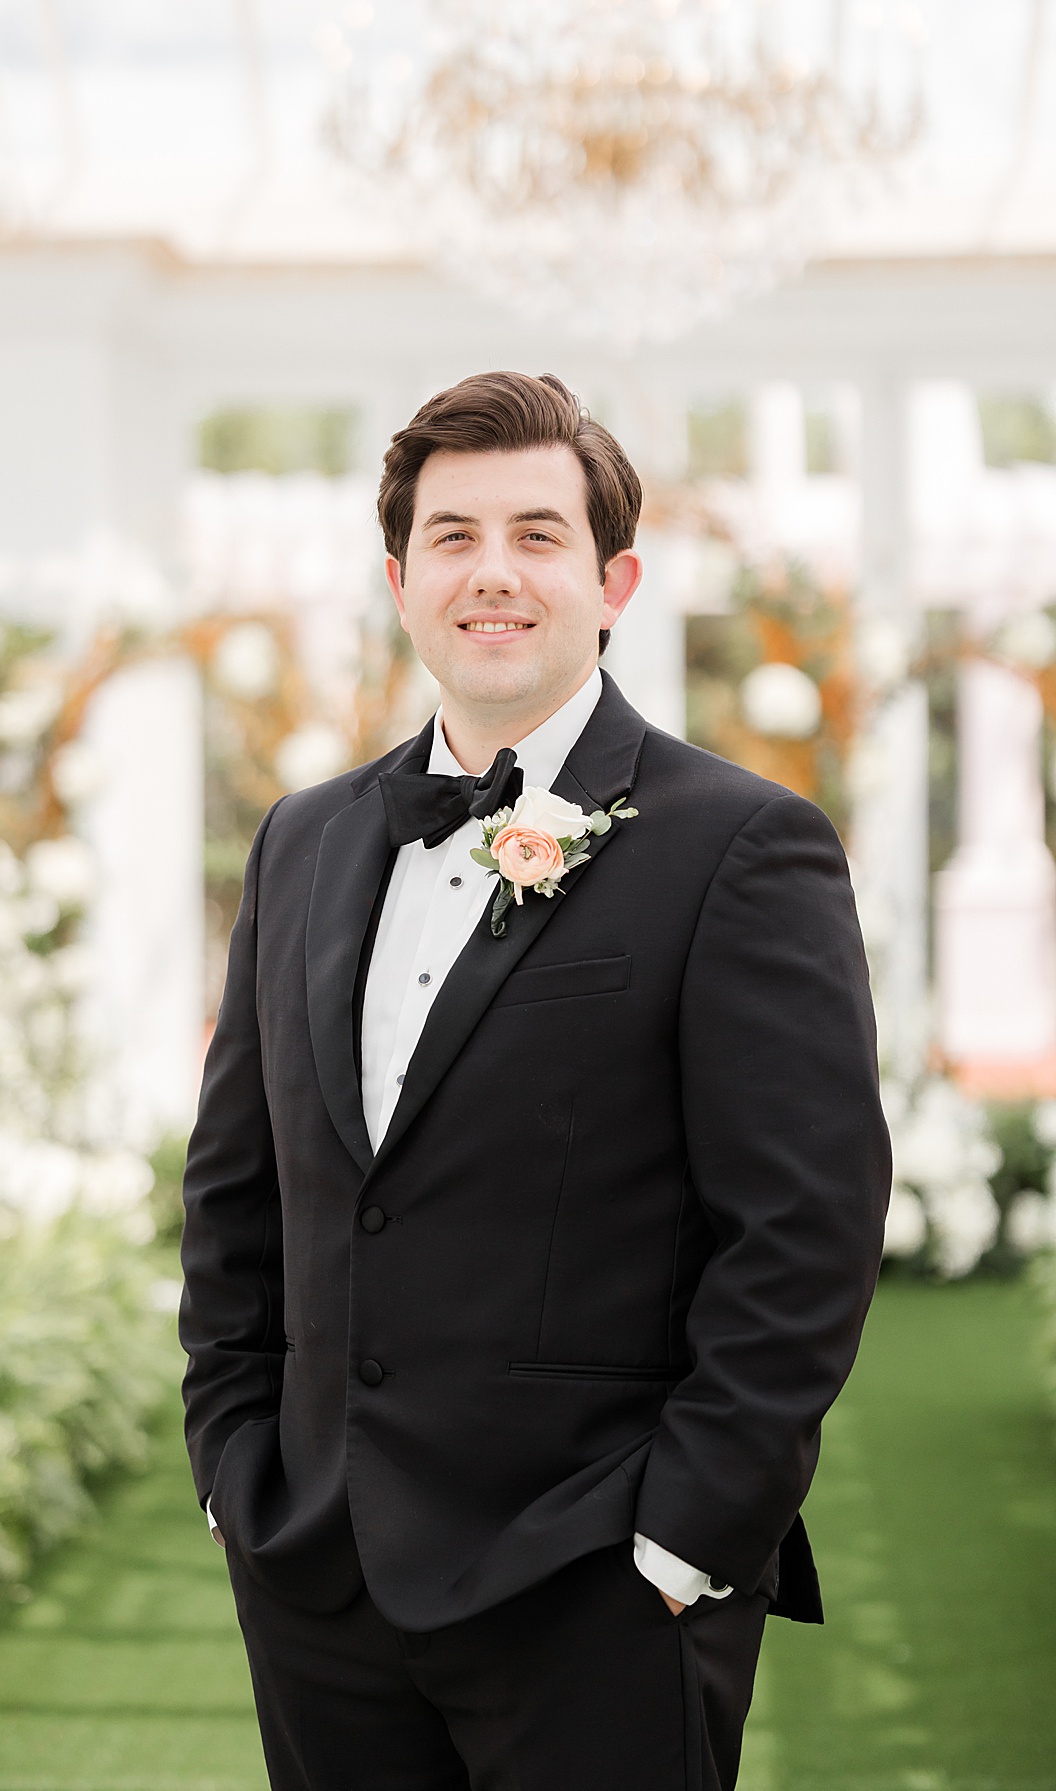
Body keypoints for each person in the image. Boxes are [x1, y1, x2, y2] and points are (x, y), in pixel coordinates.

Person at [179, 371, 890, 1789]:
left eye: (536, 534)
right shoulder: (304, 841)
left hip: (598, 1584)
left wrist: (684, 1540)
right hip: (319, 1580)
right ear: (398, 578)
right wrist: (233, 1469)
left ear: (615, 578)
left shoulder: (744, 845)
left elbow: (804, 1228)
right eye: (451, 536)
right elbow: (239, 1183)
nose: (490, 572)